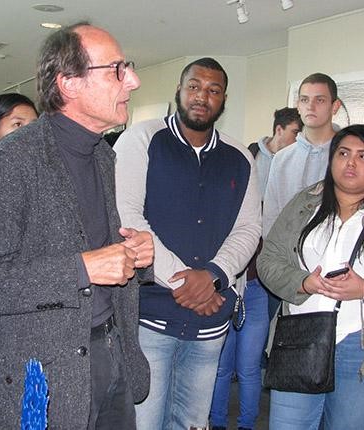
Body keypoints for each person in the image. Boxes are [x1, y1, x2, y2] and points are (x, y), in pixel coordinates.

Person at [0, 23, 154, 429]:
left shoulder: (103, 155)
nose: (132, 81)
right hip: (47, 373)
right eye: (117, 70)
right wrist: (82, 268)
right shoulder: (12, 161)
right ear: (69, 84)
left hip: (112, 350)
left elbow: (99, 249)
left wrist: (135, 257)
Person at [114, 57, 261, 430]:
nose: (202, 96)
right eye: (194, 86)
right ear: (179, 91)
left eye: (213, 90)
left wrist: (213, 275)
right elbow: (128, 219)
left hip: (210, 320)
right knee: (144, 422)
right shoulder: (142, 140)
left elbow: (248, 229)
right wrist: (186, 280)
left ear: (223, 101)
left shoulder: (240, 158)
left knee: (193, 423)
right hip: (150, 317)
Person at [257, 124, 364, 429]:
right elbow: (268, 260)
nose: (351, 163)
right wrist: (302, 282)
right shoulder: (305, 203)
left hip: (362, 348)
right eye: (343, 153)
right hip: (299, 338)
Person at [209, 107, 302, 430]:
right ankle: (217, 423)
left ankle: (248, 424)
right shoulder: (215, 211)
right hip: (223, 292)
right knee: (221, 368)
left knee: (249, 368)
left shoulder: (261, 211)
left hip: (256, 292)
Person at [262, 72, 341, 236]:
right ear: (298, 105)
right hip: (286, 256)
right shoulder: (282, 159)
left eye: (320, 100)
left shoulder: (347, 157)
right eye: (305, 100)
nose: (311, 106)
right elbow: (271, 219)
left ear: (335, 106)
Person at [248, 107, 303, 197]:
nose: (298, 138)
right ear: (279, 130)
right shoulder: (252, 152)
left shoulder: (298, 160)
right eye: (295, 132)